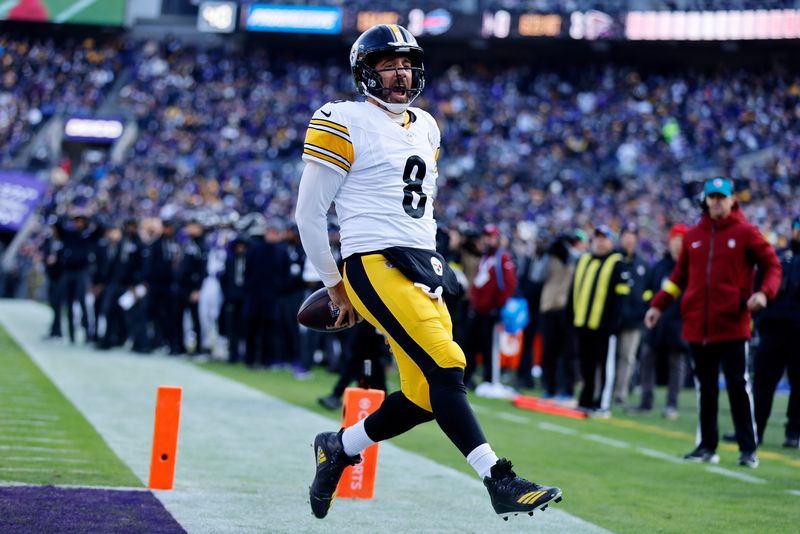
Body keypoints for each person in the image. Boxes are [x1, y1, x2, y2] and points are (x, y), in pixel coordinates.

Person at [295, 24, 562, 521]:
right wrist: (336, 285)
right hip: (372, 259)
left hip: (424, 264)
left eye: (406, 63)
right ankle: (498, 479)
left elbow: (422, 209)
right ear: (365, 74)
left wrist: (437, 267)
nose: (400, 74)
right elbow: (309, 214)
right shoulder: (341, 118)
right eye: (387, 65)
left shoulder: (427, 125)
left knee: (423, 394)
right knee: (447, 365)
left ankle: (339, 446)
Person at [645, 177, 781, 468]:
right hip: (697, 326)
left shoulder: (747, 233)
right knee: (704, 388)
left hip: (732, 325)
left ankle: (748, 449)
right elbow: (678, 279)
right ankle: (707, 446)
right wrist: (657, 305)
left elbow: (772, 265)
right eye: (713, 196)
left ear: (733, 200)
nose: (717, 201)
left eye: (722, 196)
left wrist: (764, 293)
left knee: (737, 386)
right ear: (705, 200)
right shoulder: (694, 236)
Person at [568, 226, 630, 417]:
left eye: (604, 238)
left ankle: (602, 403)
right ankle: (585, 399)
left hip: (604, 326)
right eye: (597, 238)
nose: (600, 242)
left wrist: (613, 324)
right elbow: (573, 291)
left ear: (611, 242)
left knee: (605, 365)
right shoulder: (584, 260)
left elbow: (621, 299)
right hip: (583, 323)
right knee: (586, 364)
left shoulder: (617, 263)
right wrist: (570, 316)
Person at [750, 216, 800, 447]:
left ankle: (793, 433)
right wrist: (759, 319)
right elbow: (760, 286)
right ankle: (755, 430)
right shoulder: (777, 257)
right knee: (762, 382)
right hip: (773, 330)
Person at [631, 224, 689, 420]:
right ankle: (645, 402)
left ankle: (672, 404)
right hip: (657, 322)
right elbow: (649, 290)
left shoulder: (689, 267)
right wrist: (651, 307)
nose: (678, 245)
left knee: (676, 363)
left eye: (682, 240)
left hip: (678, 323)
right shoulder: (660, 266)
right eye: (675, 240)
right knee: (647, 358)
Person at [464, 224, 517, 389]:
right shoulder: (485, 257)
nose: (487, 239)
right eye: (485, 236)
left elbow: (509, 284)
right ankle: (468, 379)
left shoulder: (502, 258)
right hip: (478, 310)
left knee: (489, 348)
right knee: (471, 346)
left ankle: (490, 381)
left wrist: (498, 306)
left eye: (490, 236)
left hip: (491, 310)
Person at [613, 223, 648, 405]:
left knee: (628, 357)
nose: (629, 238)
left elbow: (647, 291)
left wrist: (641, 312)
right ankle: (604, 387)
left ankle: (621, 391)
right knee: (609, 356)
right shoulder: (614, 259)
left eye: (632, 234)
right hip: (613, 319)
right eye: (626, 234)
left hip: (634, 320)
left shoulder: (642, 263)